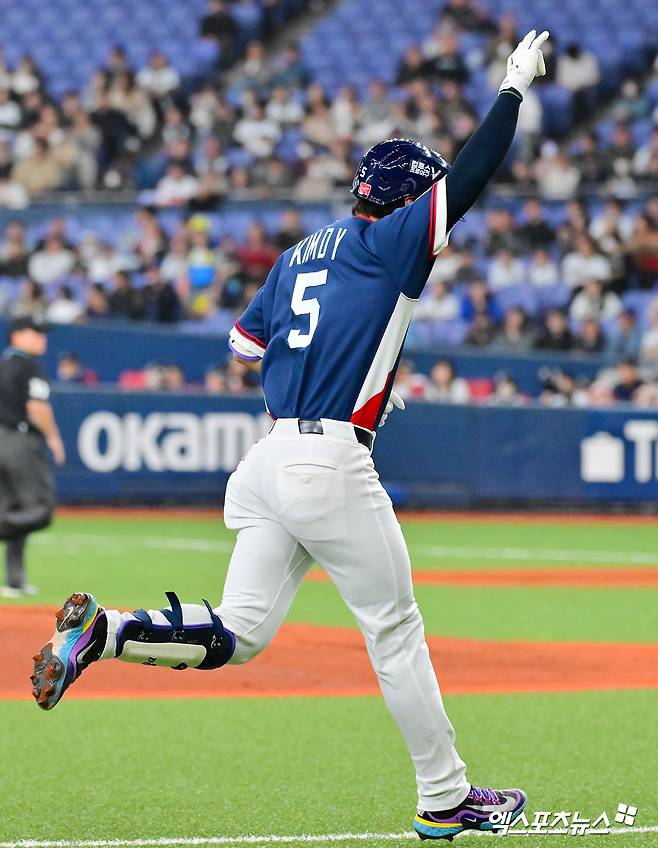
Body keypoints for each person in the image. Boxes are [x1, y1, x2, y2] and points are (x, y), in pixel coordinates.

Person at [31, 29, 551, 842]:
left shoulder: (298, 254)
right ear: (408, 198)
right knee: (396, 630)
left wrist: (339, 368)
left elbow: (244, 346)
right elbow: (475, 175)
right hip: (330, 461)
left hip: (269, 459)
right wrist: (513, 89)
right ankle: (447, 797)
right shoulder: (390, 240)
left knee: (239, 636)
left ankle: (112, 629)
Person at [0, 318, 64, 597]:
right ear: (17, 335)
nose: (42, 338)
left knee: (14, 506)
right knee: (40, 509)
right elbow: (37, 408)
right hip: (18, 441)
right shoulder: (28, 366)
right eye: (35, 332)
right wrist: (53, 437)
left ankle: (14, 580)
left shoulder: (2, 365)